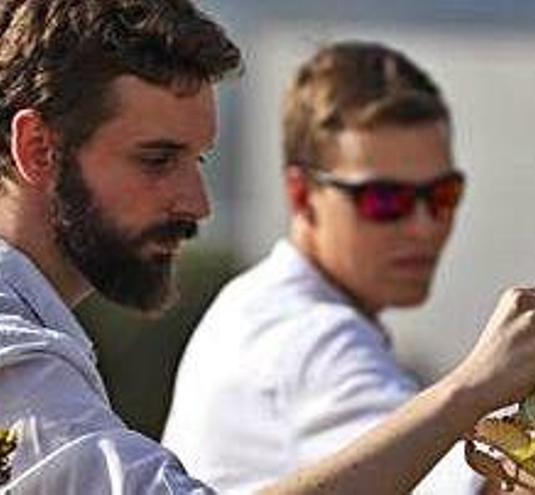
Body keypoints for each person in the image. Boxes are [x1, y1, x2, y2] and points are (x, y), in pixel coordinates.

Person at [0, 1, 535, 493]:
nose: (196, 203)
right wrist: (472, 392)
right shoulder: (304, 340)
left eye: (441, 195)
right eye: (157, 160)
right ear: (39, 151)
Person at [163, 41, 478, 493]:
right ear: (302, 196)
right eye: (385, 200)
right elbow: (474, 484)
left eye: (442, 195)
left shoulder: (263, 306)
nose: (424, 227)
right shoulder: (309, 338)